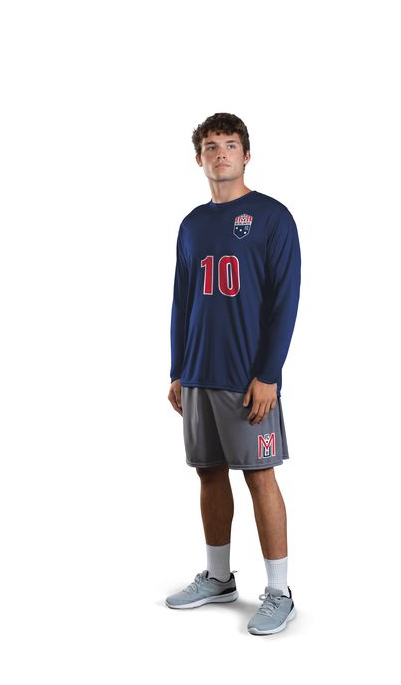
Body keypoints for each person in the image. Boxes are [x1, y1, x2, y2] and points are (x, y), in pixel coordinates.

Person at [165, 112, 301, 636]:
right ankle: (219, 578)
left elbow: (285, 301)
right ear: (198, 158)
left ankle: (279, 592)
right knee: (208, 472)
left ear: (247, 154)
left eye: (230, 144)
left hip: (248, 380)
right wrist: (178, 368)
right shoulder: (191, 224)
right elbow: (182, 302)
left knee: (260, 475)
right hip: (199, 373)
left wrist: (269, 373)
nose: (220, 153)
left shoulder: (272, 217)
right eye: (211, 146)